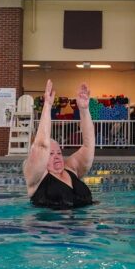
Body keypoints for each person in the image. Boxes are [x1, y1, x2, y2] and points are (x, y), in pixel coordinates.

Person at [24, 79, 95, 209]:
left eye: (59, 153)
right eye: (51, 154)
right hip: (53, 227)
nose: (57, 156)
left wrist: (84, 110)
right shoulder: (36, 177)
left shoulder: (71, 168)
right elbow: (41, 146)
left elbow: (88, 146)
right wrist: (47, 106)